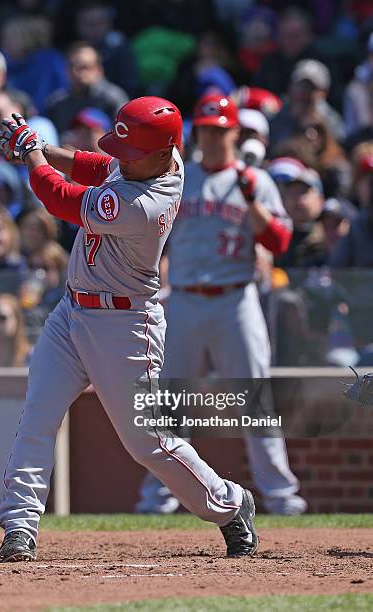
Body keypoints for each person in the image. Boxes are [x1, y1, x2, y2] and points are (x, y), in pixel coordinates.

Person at [0, 97, 258, 562]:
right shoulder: (145, 160)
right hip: (72, 311)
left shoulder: (148, 202)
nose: (122, 156)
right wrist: (36, 147)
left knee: (149, 444)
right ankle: (20, 523)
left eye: (131, 151)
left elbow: (62, 198)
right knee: (38, 416)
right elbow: (96, 166)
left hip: (125, 325)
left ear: (161, 155)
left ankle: (230, 504)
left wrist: (31, 155)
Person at [136, 95, 306, 517]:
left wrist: (251, 200)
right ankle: (158, 500)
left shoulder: (255, 180)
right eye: (206, 129)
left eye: (220, 129)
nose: (212, 137)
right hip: (186, 299)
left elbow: (280, 243)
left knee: (255, 402)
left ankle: (282, 497)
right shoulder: (179, 176)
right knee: (171, 402)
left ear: (234, 132)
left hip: (236, 298)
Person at [46, 42, 128, 133]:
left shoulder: (113, 98)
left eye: (84, 67)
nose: (76, 72)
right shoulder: (57, 102)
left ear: (99, 70)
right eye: (72, 66)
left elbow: (124, 135)